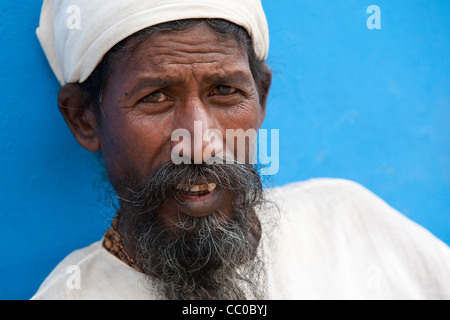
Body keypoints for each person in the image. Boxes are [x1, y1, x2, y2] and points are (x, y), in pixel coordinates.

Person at [32, 0, 450, 300]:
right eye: (156, 97)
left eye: (224, 91)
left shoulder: (348, 224)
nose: (198, 142)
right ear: (84, 119)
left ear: (261, 97)